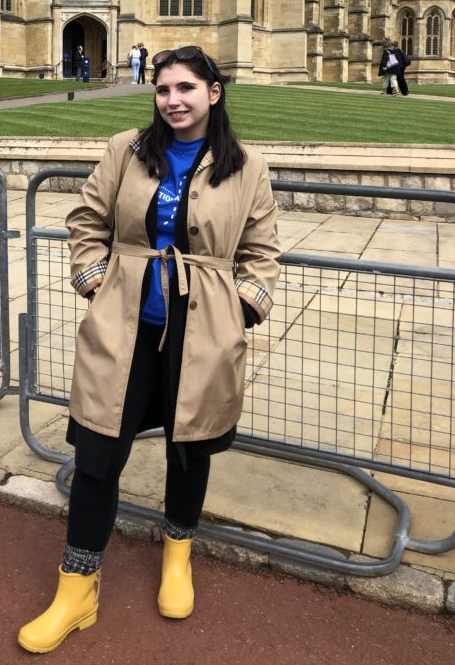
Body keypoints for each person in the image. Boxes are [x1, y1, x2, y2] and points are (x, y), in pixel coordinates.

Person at [18, 45, 281, 654]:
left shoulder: (248, 165)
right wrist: (93, 280)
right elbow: (87, 221)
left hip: (204, 329)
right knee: (96, 454)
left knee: (189, 449)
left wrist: (241, 308)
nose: (173, 101)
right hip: (124, 324)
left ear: (213, 93)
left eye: (186, 88)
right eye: (163, 90)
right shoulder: (126, 150)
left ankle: (177, 557)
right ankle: (76, 588)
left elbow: (262, 251)